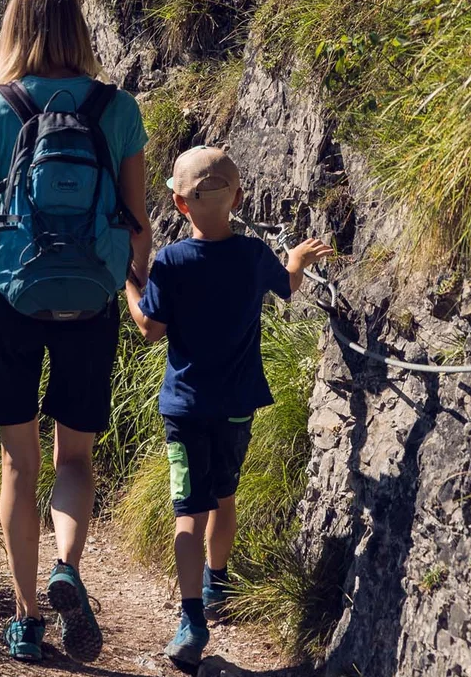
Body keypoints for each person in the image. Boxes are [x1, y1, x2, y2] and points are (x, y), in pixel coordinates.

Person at [0, 0, 152, 664]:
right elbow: (139, 224)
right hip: (90, 297)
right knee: (77, 457)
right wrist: (136, 289)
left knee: (16, 462)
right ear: (79, 29)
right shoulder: (118, 109)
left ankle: (28, 618)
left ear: (14, 27)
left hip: (12, 295)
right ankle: (68, 566)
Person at [124, 145, 331, 668]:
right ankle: (218, 584)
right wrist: (298, 259)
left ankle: (192, 617)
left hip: (184, 410)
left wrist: (127, 283)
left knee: (188, 514)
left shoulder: (170, 263)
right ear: (238, 198)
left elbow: (150, 330)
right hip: (238, 405)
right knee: (226, 496)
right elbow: (286, 286)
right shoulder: (253, 255)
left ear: (178, 203)